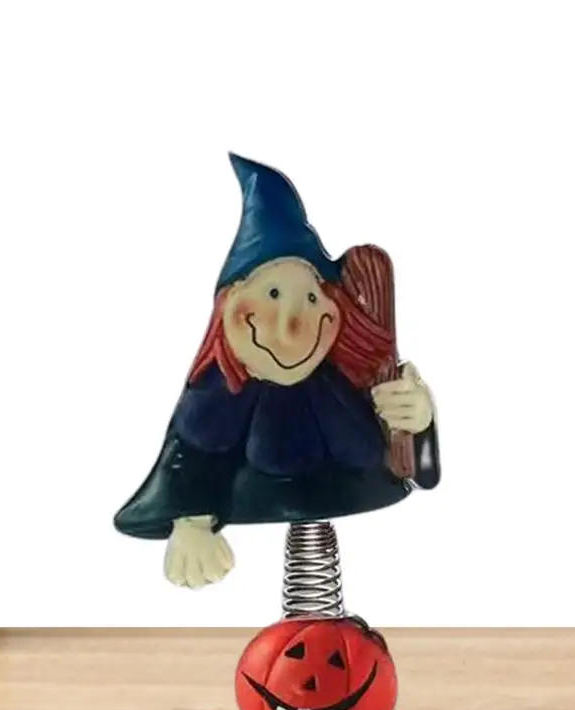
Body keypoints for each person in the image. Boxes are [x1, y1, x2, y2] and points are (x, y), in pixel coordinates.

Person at [114, 154, 440, 588]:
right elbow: (192, 454)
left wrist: (418, 420)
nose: (292, 324)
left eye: (311, 298)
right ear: (231, 304)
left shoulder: (340, 386)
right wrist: (189, 521)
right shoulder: (221, 396)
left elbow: (414, 469)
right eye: (272, 293)